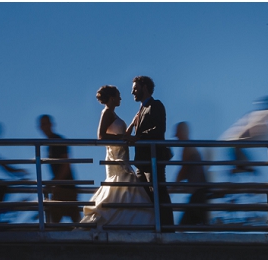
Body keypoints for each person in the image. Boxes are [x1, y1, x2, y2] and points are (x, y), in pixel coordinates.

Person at [81, 85, 154, 229]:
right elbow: (101, 136)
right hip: (116, 158)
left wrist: (133, 124)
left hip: (122, 155)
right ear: (112, 98)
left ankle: (124, 223)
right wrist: (123, 137)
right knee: (121, 187)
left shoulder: (113, 114)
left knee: (125, 190)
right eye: (119, 95)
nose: (121, 98)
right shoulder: (107, 112)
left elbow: (121, 136)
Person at [127, 75, 173, 227]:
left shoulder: (156, 105)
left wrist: (138, 137)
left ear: (144, 87)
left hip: (153, 159)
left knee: (159, 194)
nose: (133, 92)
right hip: (141, 162)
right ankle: (154, 227)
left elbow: (159, 129)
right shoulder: (140, 111)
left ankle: (167, 230)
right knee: (145, 198)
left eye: (135, 89)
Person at [38, 115, 80, 224]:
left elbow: (66, 164)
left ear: (51, 125)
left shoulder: (57, 141)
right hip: (64, 186)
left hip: (65, 187)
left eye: (45, 124)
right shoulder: (51, 143)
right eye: (42, 125)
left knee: (56, 222)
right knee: (73, 221)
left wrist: (55, 183)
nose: (44, 127)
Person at [173, 122, 210, 226]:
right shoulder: (190, 147)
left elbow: (183, 171)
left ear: (183, 132)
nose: (177, 137)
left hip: (198, 193)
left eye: (178, 133)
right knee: (203, 224)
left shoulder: (187, 148)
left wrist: (172, 188)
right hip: (200, 192)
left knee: (183, 225)